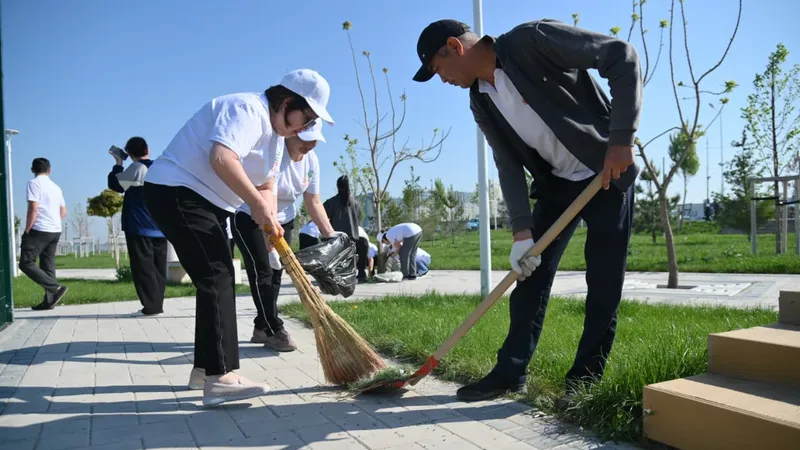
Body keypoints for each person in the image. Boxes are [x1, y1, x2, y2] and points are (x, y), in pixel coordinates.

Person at [412, 19, 640, 404]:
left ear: (454, 46)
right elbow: (506, 163)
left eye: (438, 69)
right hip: (557, 186)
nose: (442, 80)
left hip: (605, 171)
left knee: (603, 283)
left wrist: (621, 140)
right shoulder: (480, 99)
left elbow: (621, 56)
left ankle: (585, 381)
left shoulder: (532, 41)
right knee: (529, 280)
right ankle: (510, 372)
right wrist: (521, 233)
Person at [143, 68, 334, 406]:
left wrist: (268, 217)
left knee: (216, 274)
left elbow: (267, 184)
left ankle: (204, 369)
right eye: (305, 119)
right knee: (217, 274)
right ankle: (221, 377)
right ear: (286, 101)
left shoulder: (275, 138)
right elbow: (222, 158)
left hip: (210, 203)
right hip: (177, 191)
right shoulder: (248, 110)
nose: (304, 129)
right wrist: (257, 204)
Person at [232, 121, 337, 352]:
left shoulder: (311, 161)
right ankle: (273, 329)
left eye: (314, 139)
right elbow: (268, 194)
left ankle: (262, 325)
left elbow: (313, 200)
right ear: (289, 134)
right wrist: (270, 238)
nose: (310, 144)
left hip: (284, 220)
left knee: (276, 274)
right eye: (305, 138)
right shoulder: (273, 153)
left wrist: (329, 234)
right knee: (262, 272)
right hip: (251, 216)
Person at [108, 137, 167, 316]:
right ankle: (157, 304)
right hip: (161, 226)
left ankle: (151, 306)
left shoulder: (137, 168)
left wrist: (118, 163)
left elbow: (115, 185)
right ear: (147, 148)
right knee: (158, 269)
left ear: (130, 153)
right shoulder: (159, 166)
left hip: (139, 226)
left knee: (143, 268)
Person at [19, 158, 68, 311]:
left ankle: (55, 287)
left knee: (26, 263)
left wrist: (27, 229)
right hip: (55, 229)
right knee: (48, 266)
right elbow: (63, 211)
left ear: (32, 169)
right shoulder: (56, 187)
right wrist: (53, 223)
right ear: (50, 170)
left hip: (39, 229)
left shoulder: (34, 183)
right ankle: (49, 301)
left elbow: (33, 207)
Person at [323, 175, 361, 241]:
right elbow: (358, 219)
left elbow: (322, 218)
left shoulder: (331, 202)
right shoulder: (356, 204)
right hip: (352, 242)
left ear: (337, 186)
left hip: (336, 241)